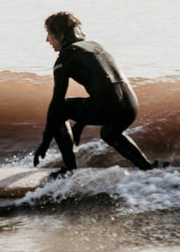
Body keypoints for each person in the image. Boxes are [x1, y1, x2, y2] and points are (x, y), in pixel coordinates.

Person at [33, 11, 158, 174]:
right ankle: (146, 167)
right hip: (130, 106)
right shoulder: (95, 46)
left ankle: (69, 170)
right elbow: (104, 87)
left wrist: (45, 142)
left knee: (62, 108)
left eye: (49, 35)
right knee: (110, 133)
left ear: (60, 35)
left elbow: (57, 102)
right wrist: (80, 124)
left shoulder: (66, 57)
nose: (47, 40)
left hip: (109, 105)